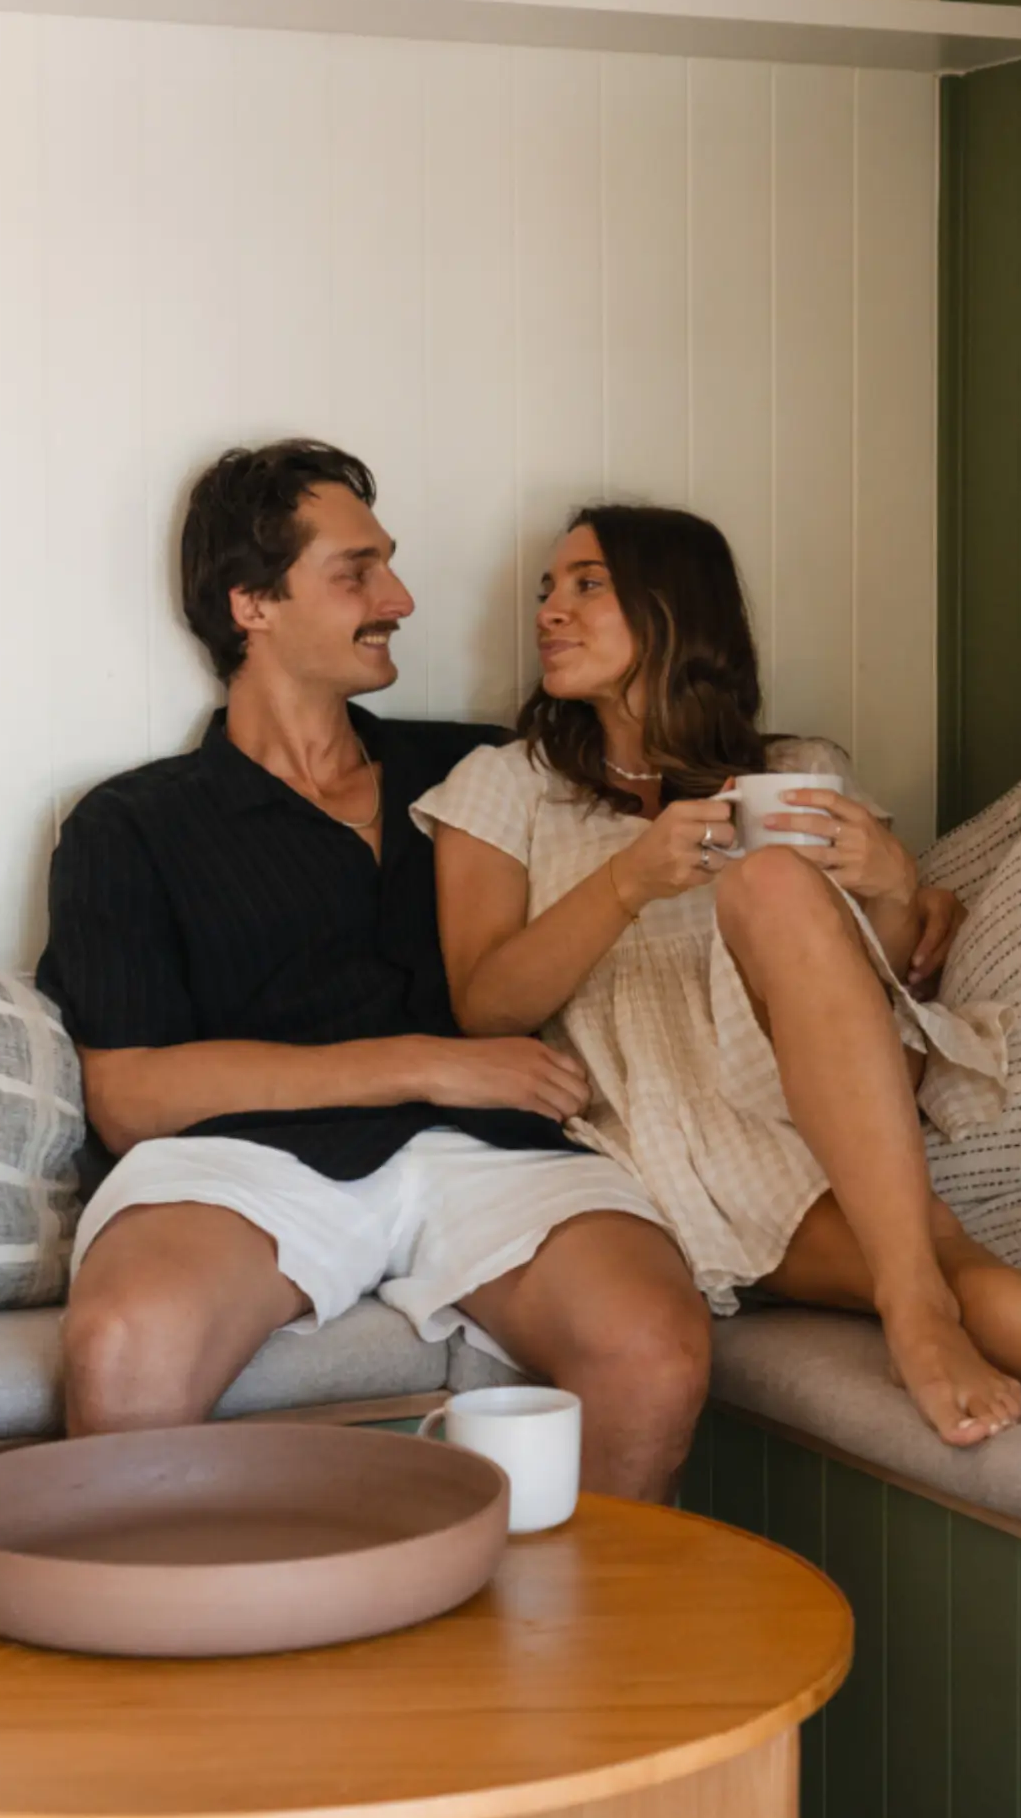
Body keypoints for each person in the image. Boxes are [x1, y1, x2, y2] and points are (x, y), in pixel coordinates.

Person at [418, 503, 1021, 1454]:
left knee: (770, 880)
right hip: (665, 1116)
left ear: (677, 608)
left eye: (588, 586)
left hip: (830, 1081)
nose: (550, 610)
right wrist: (628, 881)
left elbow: (889, 971)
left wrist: (895, 889)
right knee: (931, 1248)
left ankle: (940, 1308)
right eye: (547, 589)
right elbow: (486, 1003)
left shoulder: (797, 771)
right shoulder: (508, 784)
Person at [36, 442, 713, 1497]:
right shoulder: (131, 823)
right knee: (126, 1343)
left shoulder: (483, 771)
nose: (398, 598)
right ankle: (158, 1609)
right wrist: (425, 1062)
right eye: (357, 572)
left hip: (501, 1151)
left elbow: (679, 775)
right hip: (247, 1163)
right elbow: (129, 1096)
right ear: (251, 603)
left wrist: (896, 891)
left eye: (388, 565)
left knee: (655, 1351)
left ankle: (570, 1612)